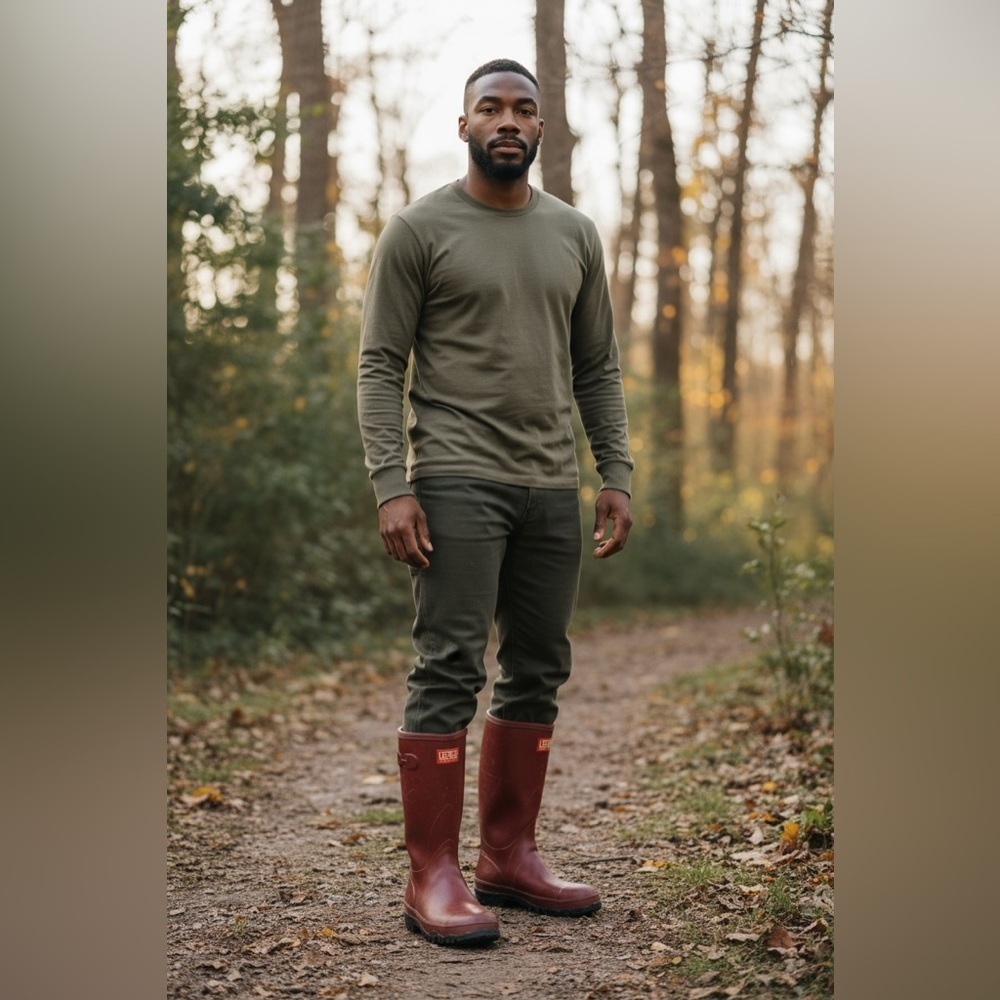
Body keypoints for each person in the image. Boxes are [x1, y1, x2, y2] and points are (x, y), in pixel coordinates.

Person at [356, 58, 634, 947]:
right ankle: (429, 873)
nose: (507, 120)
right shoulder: (418, 230)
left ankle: (509, 858)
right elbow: (378, 366)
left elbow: (596, 366)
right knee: (448, 666)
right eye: (491, 108)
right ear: (465, 124)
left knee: (540, 666)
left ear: (541, 128)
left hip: (552, 484)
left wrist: (614, 472)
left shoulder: (575, 233)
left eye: (523, 109)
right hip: (455, 478)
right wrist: (392, 484)